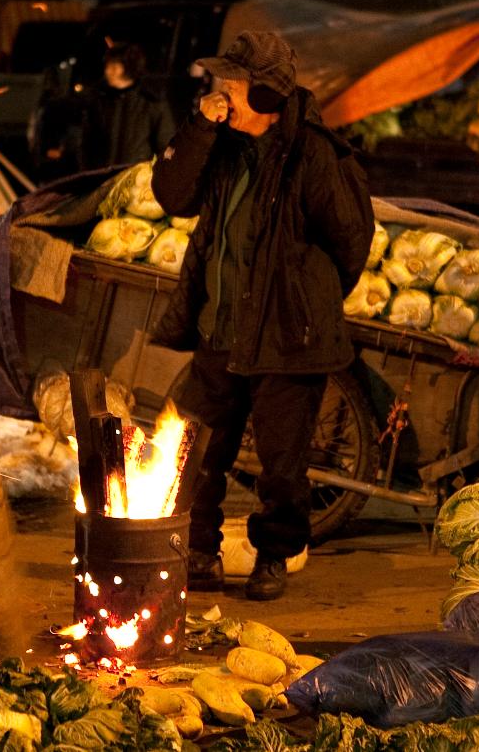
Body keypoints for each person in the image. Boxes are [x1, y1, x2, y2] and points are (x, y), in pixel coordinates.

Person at [150, 31, 373, 601]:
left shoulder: (315, 154)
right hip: (218, 331)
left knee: (281, 467)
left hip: (287, 339)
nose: (220, 95)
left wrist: (302, 301)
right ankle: (199, 552)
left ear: (269, 96)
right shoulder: (220, 146)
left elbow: (351, 240)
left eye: (232, 86)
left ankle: (273, 556)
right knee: (193, 451)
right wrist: (200, 125)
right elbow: (173, 195)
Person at [77, 43, 175, 170]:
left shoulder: (151, 103)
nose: (108, 71)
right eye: (107, 65)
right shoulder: (98, 102)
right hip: (101, 180)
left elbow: (166, 145)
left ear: (128, 67)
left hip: (135, 181)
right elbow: (86, 143)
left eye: (114, 66)